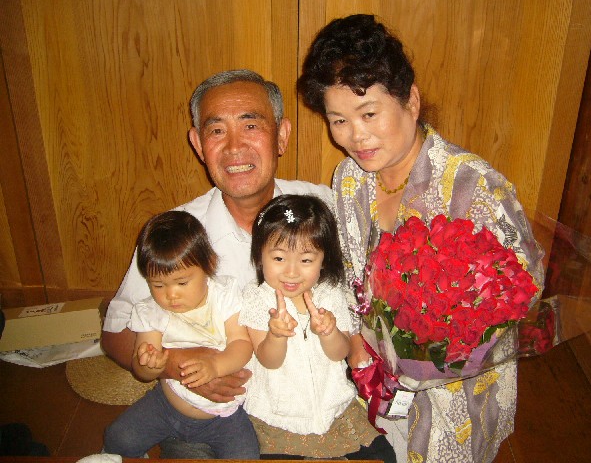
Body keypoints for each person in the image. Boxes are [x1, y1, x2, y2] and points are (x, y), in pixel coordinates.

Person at [297, 14, 545, 463]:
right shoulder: (350, 180)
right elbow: (353, 279)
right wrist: (357, 342)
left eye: (369, 114)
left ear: (410, 101)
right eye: (339, 120)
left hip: (458, 390)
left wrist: (446, 335)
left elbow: (525, 293)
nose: (356, 136)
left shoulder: (473, 187)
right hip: (377, 378)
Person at [102, 69, 333, 458]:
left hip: (309, 398)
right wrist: (181, 365)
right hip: (207, 409)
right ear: (197, 143)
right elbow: (115, 332)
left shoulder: (322, 209)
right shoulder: (176, 233)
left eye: (251, 125)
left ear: (281, 136)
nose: (234, 147)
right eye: (217, 131)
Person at [239, 194, 395, 462]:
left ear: (323, 260)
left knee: (385, 457)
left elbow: (340, 353)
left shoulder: (330, 293)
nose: (291, 272)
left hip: (336, 410)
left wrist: (330, 333)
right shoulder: (257, 298)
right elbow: (268, 360)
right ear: (260, 256)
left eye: (306, 260)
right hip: (277, 418)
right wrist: (276, 335)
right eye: (279, 258)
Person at [103, 210, 259, 458]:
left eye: (182, 283)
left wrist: (216, 365)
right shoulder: (151, 311)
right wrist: (150, 365)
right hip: (166, 406)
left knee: (247, 455)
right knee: (118, 437)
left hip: (224, 417)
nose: (171, 295)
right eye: (158, 285)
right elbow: (142, 370)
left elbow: (242, 343)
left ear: (209, 266)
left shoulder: (224, 296)